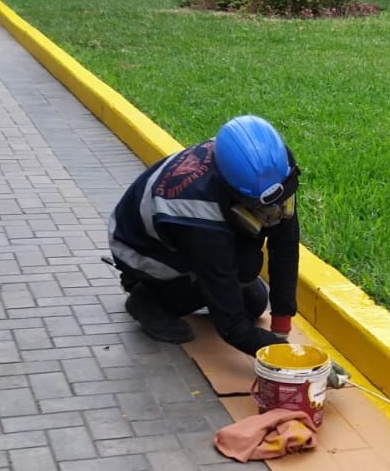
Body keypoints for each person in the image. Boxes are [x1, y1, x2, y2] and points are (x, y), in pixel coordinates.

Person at [109, 114, 300, 354]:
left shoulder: (273, 169)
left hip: (187, 233)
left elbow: (285, 246)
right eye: (262, 208)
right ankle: (146, 298)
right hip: (140, 249)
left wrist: (282, 324)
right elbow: (231, 327)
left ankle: (189, 289)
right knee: (244, 266)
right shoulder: (198, 211)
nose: (275, 212)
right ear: (232, 193)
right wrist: (285, 355)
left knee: (256, 302)